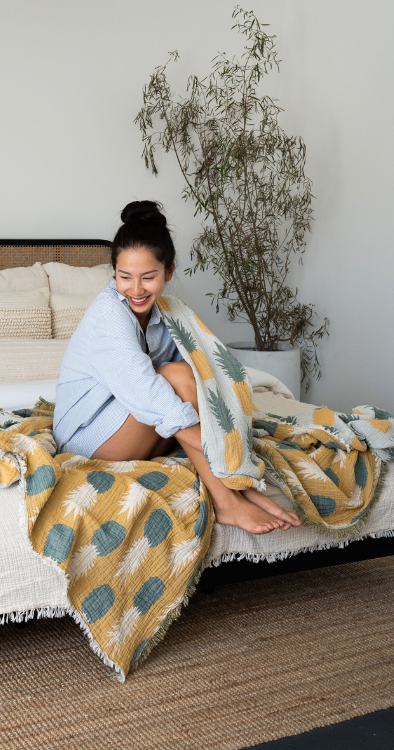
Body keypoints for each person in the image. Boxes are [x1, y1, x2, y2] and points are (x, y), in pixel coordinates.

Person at [53, 200, 300, 535]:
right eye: (124, 277)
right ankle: (228, 502)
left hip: (140, 424)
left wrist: (225, 438)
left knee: (184, 371)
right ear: (113, 273)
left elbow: (206, 371)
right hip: (87, 438)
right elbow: (148, 389)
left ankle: (232, 494)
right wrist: (222, 454)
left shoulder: (169, 312)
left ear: (168, 272)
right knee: (174, 376)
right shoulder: (108, 316)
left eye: (148, 277)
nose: (136, 290)